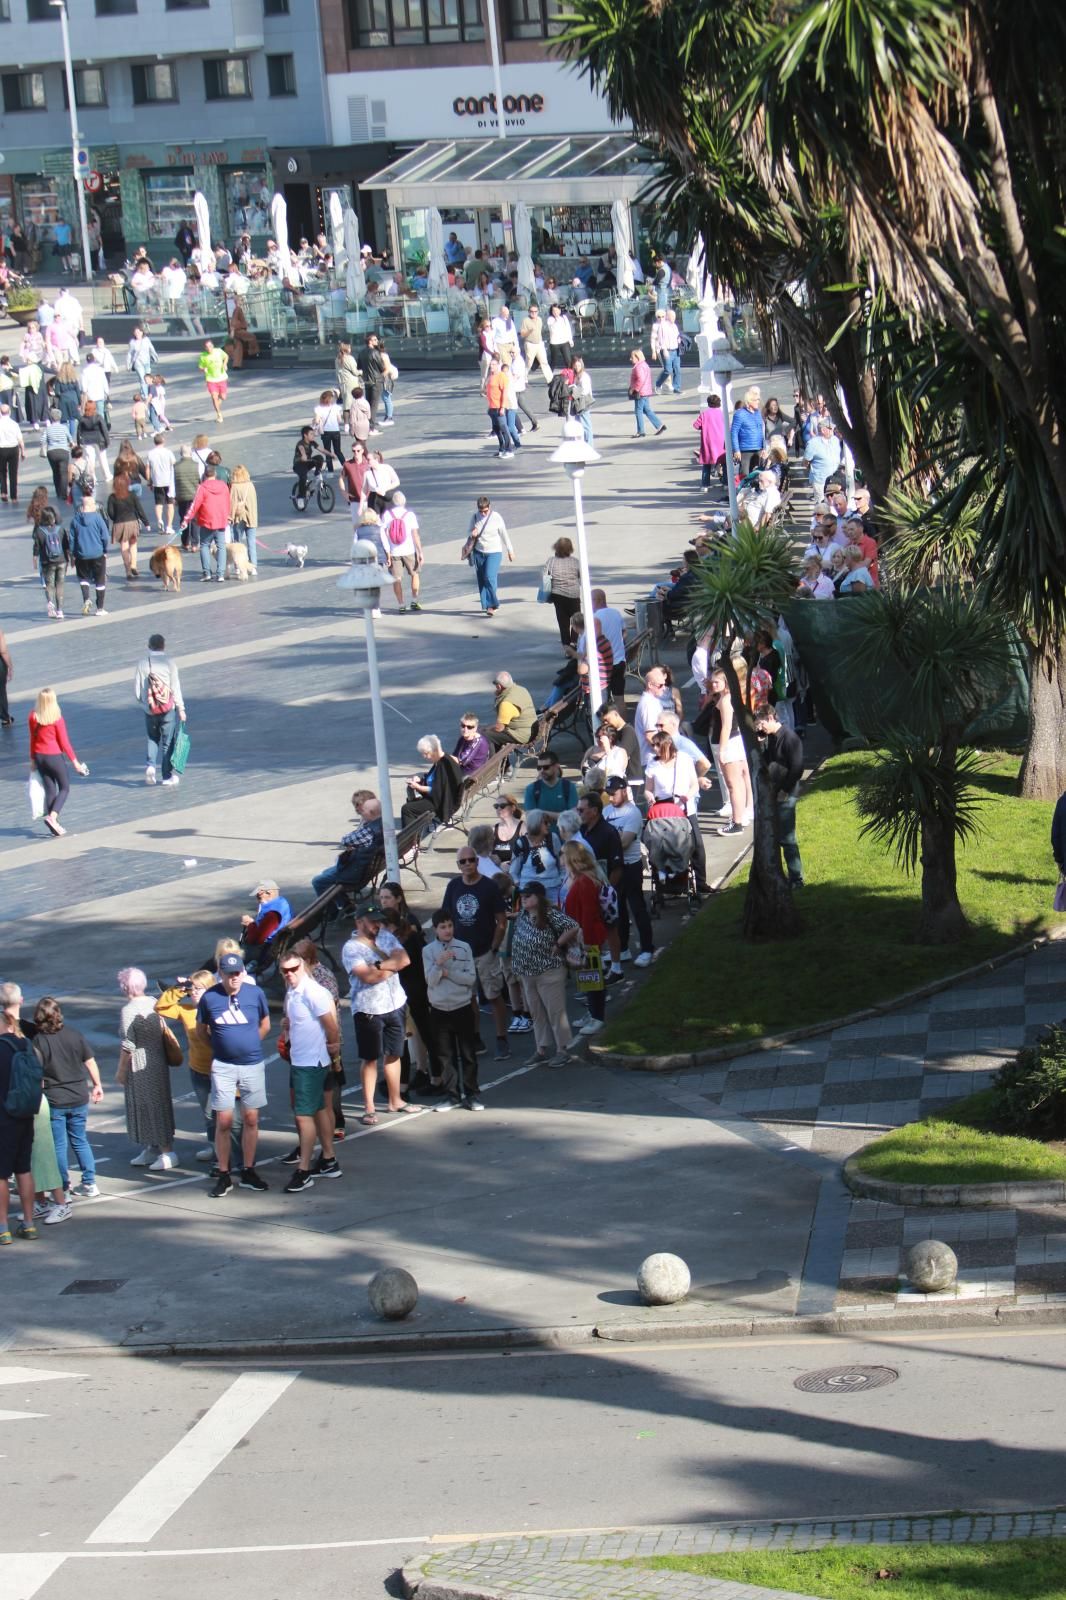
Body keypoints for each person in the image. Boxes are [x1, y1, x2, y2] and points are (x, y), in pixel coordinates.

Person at [196, 953, 271, 1197]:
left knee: (251, 1118)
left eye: (238, 972)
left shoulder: (255, 994)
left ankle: (248, 1169)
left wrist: (250, 1044)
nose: (235, 977)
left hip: (252, 1064)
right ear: (221, 973)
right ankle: (224, 1172)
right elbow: (201, 1031)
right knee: (224, 1121)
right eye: (230, 974)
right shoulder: (210, 997)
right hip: (223, 1066)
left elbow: (265, 1024)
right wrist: (220, 1047)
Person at [341, 899, 414, 1125]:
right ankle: (369, 1107)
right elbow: (368, 977)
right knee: (370, 1058)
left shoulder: (385, 936)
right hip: (369, 1008)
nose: (376, 925)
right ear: (359, 922)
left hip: (394, 1003)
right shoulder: (351, 948)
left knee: (394, 1053)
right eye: (372, 922)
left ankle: (395, 1100)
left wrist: (381, 967)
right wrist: (391, 967)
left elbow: (405, 959)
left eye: (378, 921)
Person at [156, 969, 235, 1166]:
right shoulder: (187, 1010)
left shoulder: (220, 1008)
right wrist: (179, 989)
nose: (194, 993)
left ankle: (229, 1150)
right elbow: (161, 1007)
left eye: (198, 989)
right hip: (198, 1069)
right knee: (209, 1114)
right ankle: (214, 1146)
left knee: (225, 1112)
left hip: (222, 1069)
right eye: (193, 990)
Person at [278, 953, 342, 1194]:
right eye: (285, 970)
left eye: (293, 968)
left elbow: (331, 1025)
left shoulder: (312, 992)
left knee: (303, 1116)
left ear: (302, 966)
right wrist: (288, 1027)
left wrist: (333, 1050)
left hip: (310, 1063)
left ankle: (304, 1170)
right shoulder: (293, 992)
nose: (290, 974)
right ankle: (328, 1159)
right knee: (320, 1110)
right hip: (307, 1061)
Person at [442, 846, 511, 1061]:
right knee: (468, 997)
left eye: (471, 859)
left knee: (493, 995)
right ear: (458, 865)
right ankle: (474, 1037)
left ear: (477, 862)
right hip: (461, 952)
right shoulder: (453, 886)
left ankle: (501, 1038)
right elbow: (446, 917)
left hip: (484, 951)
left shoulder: (489, 887)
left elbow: (501, 920)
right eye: (462, 861)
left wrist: (494, 946)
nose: (467, 864)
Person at [33, 997, 102, 1202]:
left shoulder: (39, 1041)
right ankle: (90, 1182)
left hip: (55, 1099)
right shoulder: (74, 1034)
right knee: (80, 1140)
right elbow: (90, 1061)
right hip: (79, 1096)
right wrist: (97, 1085)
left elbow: (36, 1073)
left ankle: (62, 1187)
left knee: (59, 1146)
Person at [378, 882, 441, 1097]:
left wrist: (380, 966)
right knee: (419, 1035)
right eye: (382, 897)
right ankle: (429, 1077)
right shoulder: (406, 935)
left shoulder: (402, 939)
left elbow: (402, 964)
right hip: (413, 990)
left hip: (409, 991)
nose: (384, 900)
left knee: (407, 1038)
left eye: (387, 897)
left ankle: (408, 1084)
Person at [509, 882, 581, 1063]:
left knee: (556, 1012)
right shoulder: (524, 914)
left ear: (539, 898)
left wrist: (558, 944)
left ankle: (562, 1050)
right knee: (536, 1013)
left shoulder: (550, 914)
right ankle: (541, 1049)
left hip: (549, 971)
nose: (523, 898)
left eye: (528, 896)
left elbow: (573, 926)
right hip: (527, 972)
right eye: (522, 896)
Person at [117, 966, 177, 1172]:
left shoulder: (128, 1011)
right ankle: (154, 1146)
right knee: (157, 1102)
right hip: (158, 1059)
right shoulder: (154, 1002)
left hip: (140, 1063)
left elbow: (128, 1045)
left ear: (127, 987)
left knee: (147, 1105)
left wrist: (121, 1071)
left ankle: (166, 1151)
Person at [423, 908, 483, 1110]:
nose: (447, 930)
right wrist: (438, 965)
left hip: (462, 1007)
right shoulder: (428, 951)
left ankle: (472, 1093)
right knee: (445, 1055)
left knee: (468, 1054)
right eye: (443, 927)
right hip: (439, 1010)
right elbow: (430, 981)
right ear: (435, 929)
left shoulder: (464, 948)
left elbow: (470, 979)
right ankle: (452, 1095)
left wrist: (448, 973)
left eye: (450, 926)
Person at [0, 982, 39, 1243]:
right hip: (25, 1113)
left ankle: (2, 1226)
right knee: (24, 1169)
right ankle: (28, 1222)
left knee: (1, 1174)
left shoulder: (1, 1047)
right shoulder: (25, 1044)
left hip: (3, 1116)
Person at [561, 841, 610, 1035]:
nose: (560, 859)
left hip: (587, 937)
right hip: (580, 935)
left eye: (563, 855)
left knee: (593, 977)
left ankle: (598, 1016)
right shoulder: (578, 879)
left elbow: (589, 913)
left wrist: (586, 942)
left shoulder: (584, 882)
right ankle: (592, 1012)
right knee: (587, 978)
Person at [754, 703, 805, 888]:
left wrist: (784, 790)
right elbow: (768, 761)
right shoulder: (772, 738)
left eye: (761, 724)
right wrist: (762, 744)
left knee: (787, 838)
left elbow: (797, 769)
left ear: (770, 718)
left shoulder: (790, 738)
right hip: (776, 790)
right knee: (779, 836)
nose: (760, 728)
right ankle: (787, 876)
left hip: (786, 791)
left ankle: (796, 877)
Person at [29, 687, 88, 837]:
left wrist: (32, 759)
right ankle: (53, 817)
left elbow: (32, 739)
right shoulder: (57, 719)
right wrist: (75, 763)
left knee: (50, 789)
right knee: (64, 788)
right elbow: (64, 743)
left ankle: (53, 825)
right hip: (54, 757)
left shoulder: (33, 717)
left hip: (39, 757)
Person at [134, 633, 187, 788]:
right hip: (167, 709)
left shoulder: (143, 664)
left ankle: (150, 765)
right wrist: (181, 709)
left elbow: (137, 691)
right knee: (167, 742)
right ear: (163, 646)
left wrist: (145, 704)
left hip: (150, 710)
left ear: (149, 646)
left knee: (152, 738)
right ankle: (166, 776)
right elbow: (176, 688)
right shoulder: (170, 663)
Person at [311, 790, 384, 900]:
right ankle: (343, 904)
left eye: (362, 811)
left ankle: (337, 909)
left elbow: (346, 840)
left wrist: (353, 845)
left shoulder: (371, 830)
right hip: (363, 867)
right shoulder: (382, 823)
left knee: (318, 881)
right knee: (326, 873)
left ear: (372, 812)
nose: (359, 813)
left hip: (356, 873)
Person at [706, 668, 753, 835]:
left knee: (733, 785)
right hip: (736, 742)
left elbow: (726, 727)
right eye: (712, 681)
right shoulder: (729, 697)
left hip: (730, 743)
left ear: (726, 683)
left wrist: (722, 751)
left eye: (717, 681)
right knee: (738, 783)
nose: (713, 684)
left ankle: (737, 822)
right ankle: (741, 816)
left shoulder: (726, 700)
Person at [463, 495, 514, 617]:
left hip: (494, 552)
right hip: (479, 552)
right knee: (482, 579)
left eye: (485, 511)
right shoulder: (475, 517)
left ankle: (493, 604)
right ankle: (487, 604)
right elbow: (468, 532)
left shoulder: (496, 517)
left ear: (489, 507)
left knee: (489, 576)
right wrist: (472, 533)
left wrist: (510, 550)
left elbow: (504, 534)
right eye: (481, 511)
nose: (483, 514)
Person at [400, 735, 463, 830]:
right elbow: (436, 782)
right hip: (439, 799)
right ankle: (413, 837)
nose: (424, 757)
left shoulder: (444, 765)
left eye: (426, 753)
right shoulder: (441, 761)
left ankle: (411, 841)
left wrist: (418, 787)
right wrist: (420, 781)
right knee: (411, 803)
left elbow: (437, 790)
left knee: (407, 809)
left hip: (442, 803)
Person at [181, 464, 230, 583]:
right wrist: (228, 515)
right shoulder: (223, 486)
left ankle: (207, 573)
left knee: (204, 545)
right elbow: (228, 501)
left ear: (204, 475)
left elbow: (195, 505)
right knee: (221, 546)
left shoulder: (202, 488)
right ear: (215, 474)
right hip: (221, 520)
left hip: (206, 520)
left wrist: (186, 520)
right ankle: (220, 574)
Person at [379, 490, 424, 613]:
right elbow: (415, 535)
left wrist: (386, 551)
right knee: (415, 574)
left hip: (394, 551)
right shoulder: (409, 515)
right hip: (409, 550)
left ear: (393, 502)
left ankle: (401, 604)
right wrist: (420, 552)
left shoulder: (387, 515)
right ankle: (414, 600)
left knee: (397, 578)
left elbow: (382, 533)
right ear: (404, 502)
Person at [241, 879, 292, 967]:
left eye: (259, 895)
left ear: (269, 893)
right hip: (273, 941)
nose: (257, 898)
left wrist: (250, 924)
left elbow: (256, 939)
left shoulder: (272, 914)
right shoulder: (281, 901)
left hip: (264, 949)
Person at [544, 536, 582, 648]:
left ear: (556, 548)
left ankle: (566, 645)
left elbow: (545, 578)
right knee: (576, 619)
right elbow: (581, 576)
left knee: (563, 622)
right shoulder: (575, 562)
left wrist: (547, 596)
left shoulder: (551, 561)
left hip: (558, 595)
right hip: (573, 595)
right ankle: (574, 642)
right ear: (570, 549)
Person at [32, 508, 70, 621]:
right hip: (62, 561)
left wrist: (34, 560)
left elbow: (37, 548)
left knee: (49, 584)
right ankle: (60, 611)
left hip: (47, 562)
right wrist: (71, 559)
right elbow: (66, 546)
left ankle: (50, 603)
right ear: (54, 518)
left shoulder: (39, 531)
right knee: (60, 585)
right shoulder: (60, 529)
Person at [486, 670, 536, 752]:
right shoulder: (521, 689)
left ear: (499, 686)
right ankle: (503, 763)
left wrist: (487, 729)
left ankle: (493, 762)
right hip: (531, 729)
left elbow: (499, 728)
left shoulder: (506, 703)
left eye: (495, 685)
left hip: (522, 735)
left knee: (486, 736)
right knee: (487, 730)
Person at [523, 748, 578, 822]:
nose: (542, 771)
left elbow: (573, 817)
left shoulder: (569, 787)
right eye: (539, 768)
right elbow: (530, 817)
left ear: (556, 766)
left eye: (546, 767)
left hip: (564, 833)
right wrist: (562, 816)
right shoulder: (531, 789)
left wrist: (540, 813)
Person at [628, 349, 666, 438]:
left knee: (638, 411)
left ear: (637, 357)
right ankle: (660, 425)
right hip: (646, 391)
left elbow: (641, 380)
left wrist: (634, 389)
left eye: (632, 357)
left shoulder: (638, 367)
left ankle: (640, 431)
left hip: (640, 392)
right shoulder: (644, 365)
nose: (630, 359)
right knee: (646, 409)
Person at [693, 394, 726, 491]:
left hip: (708, 442)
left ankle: (705, 485)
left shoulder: (704, 414)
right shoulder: (722, 414)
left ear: (708, 403)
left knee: (706, 464)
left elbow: (696, 425)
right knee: (724, 463)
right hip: (721, 442)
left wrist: (703, 427)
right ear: (719, 403)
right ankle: (725, 483)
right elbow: (729, 427)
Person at [804, 419, 842, 499]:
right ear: (823, 430)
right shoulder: (813, 443)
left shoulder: (835, 440)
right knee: (822, 503)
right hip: (820, 480)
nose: (833, 431)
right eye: (830, 429)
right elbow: (806, 460)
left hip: (835, 479)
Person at [650, 308, 682, 395]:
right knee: (668, 369)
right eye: (659, 317)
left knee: (677, 369)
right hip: (664, 349)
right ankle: (658, 384)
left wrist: (680, 340)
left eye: (674, 316)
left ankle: (676, 388)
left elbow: (677, 336)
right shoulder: (660, 326)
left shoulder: (674, 326)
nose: (661, 318)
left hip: (675, 349)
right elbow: (659, 339)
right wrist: (660, 350)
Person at [292, 425, 324, 510]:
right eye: (311, 434)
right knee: (303, 477)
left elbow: (322, 450)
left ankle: (317, 473)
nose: (313, 435)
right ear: (305, 435)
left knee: (319, 458)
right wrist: (303, 455)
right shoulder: (300, 443)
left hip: (307, 463)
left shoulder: (312, 442)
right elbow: (302, 449)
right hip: (298, 465)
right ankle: (300, 497)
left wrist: (331, 455)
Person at [198, 339, 229, 423]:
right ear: (205, 348)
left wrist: (225, 364)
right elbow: (200, 367)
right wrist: (203, 369)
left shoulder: (218, 351)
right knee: (214, 396)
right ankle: (219, 414)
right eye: (207, 347)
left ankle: (217, 404)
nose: (209, 348)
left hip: (221, 377)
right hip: (211, 379)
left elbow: (226, 356)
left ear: (213, 346)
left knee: (223, 397)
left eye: (210, 346)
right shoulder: (203, 356)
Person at [0, 402, 25, 503]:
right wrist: (23, 451)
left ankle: (3, 492)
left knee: (2, 472)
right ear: (9, 412)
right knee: (13, 473)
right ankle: (14, 496)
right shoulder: (14, 424)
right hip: (13, 449)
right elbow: (20, 439)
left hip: (1, 449)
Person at [313, 389, 344, 471]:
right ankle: (345, 467)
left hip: (326, 432)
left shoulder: (319, 408)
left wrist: (315, 422)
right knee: (338, 451)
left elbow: (316, 420)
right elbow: (340, 420)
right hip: (336, 431)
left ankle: (330, 470)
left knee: (327, 451)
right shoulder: (336, 407)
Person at [520, 303, 552, 381]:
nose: (533, 313)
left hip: (539, 343)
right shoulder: (525, 320)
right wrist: (529, 331)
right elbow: (522, 334)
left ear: (538, 312)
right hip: (530, 343)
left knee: (544, 362)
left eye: (535, 311)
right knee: (529, 363)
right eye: (531, 311)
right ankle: (523, 377)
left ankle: (550, 379)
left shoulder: (539, 319)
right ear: (529, 312)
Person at [127, 327, 159, 399]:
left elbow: (151, 348)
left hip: (147, 362)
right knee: (142, 379)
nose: (137, 334)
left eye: (139, 332)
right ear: (134, 334)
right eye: (136, 332)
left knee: (148, 378)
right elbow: (129, 354)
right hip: (138, 363)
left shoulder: (146, 340)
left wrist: (155, 356)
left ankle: (147, 392)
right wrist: (128, 364)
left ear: (142, 332)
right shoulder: (132, 342)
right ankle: (145, 395)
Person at [546, 304, 574, 371]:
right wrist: (556, 319)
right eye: (554, 311)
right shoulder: (550, 319)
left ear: (560, 310)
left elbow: (568, 329)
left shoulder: (564, 317)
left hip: (564, 341)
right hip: (554, 343)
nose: (556, 312)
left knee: (568, 360)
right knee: (553, 361)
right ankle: (549, 377)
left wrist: (570, 340)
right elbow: (552, 329)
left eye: (557, 310)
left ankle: (570, 376)